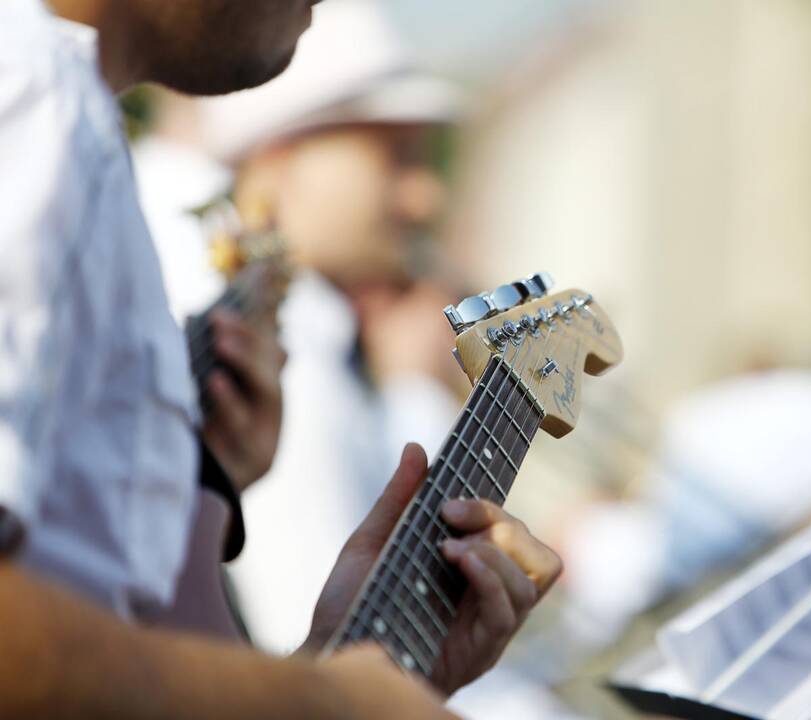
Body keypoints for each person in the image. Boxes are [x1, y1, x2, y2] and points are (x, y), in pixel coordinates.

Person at [0, 0, 561, 716]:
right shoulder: (28, 93)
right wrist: (320, 699)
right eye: (390, 154)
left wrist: (343, 660)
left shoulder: (69, 119)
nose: (424, 195)